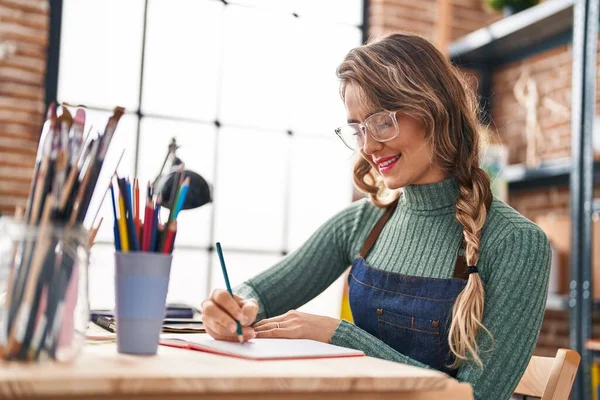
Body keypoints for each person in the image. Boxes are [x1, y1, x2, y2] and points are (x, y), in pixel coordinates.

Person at [201, 32, 551, 400]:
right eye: (357, 129)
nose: (367, 147)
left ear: (435, 112)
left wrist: (340, 336)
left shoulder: (516, 242)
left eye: (382, 122)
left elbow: (477, 396)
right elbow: (256, 293)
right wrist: (231, 308)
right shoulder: (361, 223)